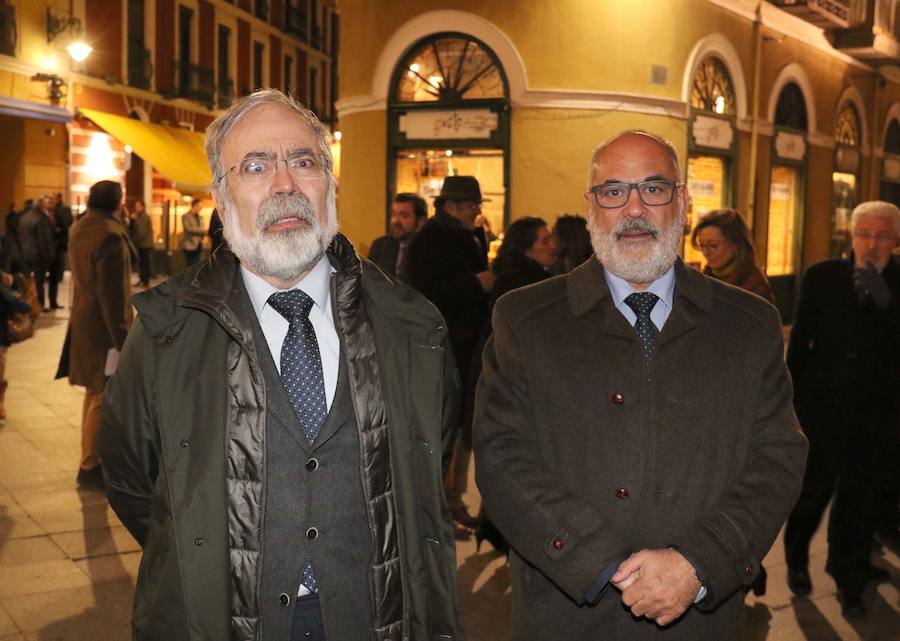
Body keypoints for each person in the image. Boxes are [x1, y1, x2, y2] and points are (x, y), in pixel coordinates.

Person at [99, 89, 464, 641]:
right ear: (222, 201)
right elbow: (134, 482)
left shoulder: (413, 327)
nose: (285, 185)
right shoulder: (163, 332)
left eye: (303, 161)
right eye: (255, 165)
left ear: (330, 186)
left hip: (376, 618)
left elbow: (427, 460)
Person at [474, 130, 807, 640]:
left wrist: (698, 563)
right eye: (613, 191)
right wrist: (603, 564)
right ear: (591, 208)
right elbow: (502, 459)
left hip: (701, 618)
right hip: (566, 617)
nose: (633, 209)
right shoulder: (525, 321)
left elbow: (778, 458)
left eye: (653, 189)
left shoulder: (747, 324)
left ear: (684, 203)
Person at [783, 200, 900, 618]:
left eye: (882, 235)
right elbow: (799, 344)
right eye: (864, 234)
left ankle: (849, 574)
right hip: (822, 410)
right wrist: (789, 403)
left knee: (859, 499)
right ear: (850, 236)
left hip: (877, 416)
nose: (872, 244)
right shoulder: (822, 276)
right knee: (812, 493)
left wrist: (885, 299)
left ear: (896, 239)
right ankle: (796, 558)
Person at [408, 175, 494, 531]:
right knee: (444, 422)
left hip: (463, 341)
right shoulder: (432, 239)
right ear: (453, 206)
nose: (477, 212)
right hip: (445, 344)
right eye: (473, 206)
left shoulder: (465, 236)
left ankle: (449, 499)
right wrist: (476, 283)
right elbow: (425, 292)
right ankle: (436, 504)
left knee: (459, 422)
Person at [470, 215, 556, 554]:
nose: (552, 246)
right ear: (527, 246)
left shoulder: (518, 275)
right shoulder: (526, 281)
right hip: (516, 381)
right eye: (544, 240)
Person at [61, 181, 133, 490]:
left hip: (84, 321)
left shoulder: (80, 227)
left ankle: (90, 458)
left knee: (95, 393)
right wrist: (124, 341)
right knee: (103, 395)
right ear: (118, 202)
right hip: (104, 332)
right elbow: (113, 298)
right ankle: (90, 465)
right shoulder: (111, 237)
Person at [691, 208, 774, 304]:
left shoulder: (754, 284)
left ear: (735, 243)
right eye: (702, 245)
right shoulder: (706, 276)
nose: (705, 252)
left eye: (712, 245)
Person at [367, 192, 427, 282]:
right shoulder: (380, 245)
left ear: (421, 221)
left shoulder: (430, 249)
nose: (396, 221)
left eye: (404, 216)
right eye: (394, 214)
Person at [17, 198, 56, 311]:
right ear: (40, 206)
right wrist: (49, 255)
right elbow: (44, 240)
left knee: (28, 281)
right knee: (39, 281)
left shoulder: (23, 217)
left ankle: (29, 304)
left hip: (25, 253)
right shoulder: (40, 219)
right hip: (38, 255)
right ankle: (40, 304)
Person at [128, 200, 154, 287]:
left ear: (143, 207)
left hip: (145, 244)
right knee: (142, 263)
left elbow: (141, 232)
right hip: (142, 244)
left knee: (145, 263)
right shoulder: (138, 216)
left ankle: (145, 281)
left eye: (138, 206)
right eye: (136, 206)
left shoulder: (144, 217)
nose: (136, 208)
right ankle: (142, 280)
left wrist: (133, 241)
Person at [181, 198, 205, 267]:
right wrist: (202, 231)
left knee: (199, 266)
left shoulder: (201, 217)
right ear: (194, 206)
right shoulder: (185, 216)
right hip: (189, 245)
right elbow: (188, 229)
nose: (201, 209)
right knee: (190, 267)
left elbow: (202, 228)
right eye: (199, 207)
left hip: (199, 245)